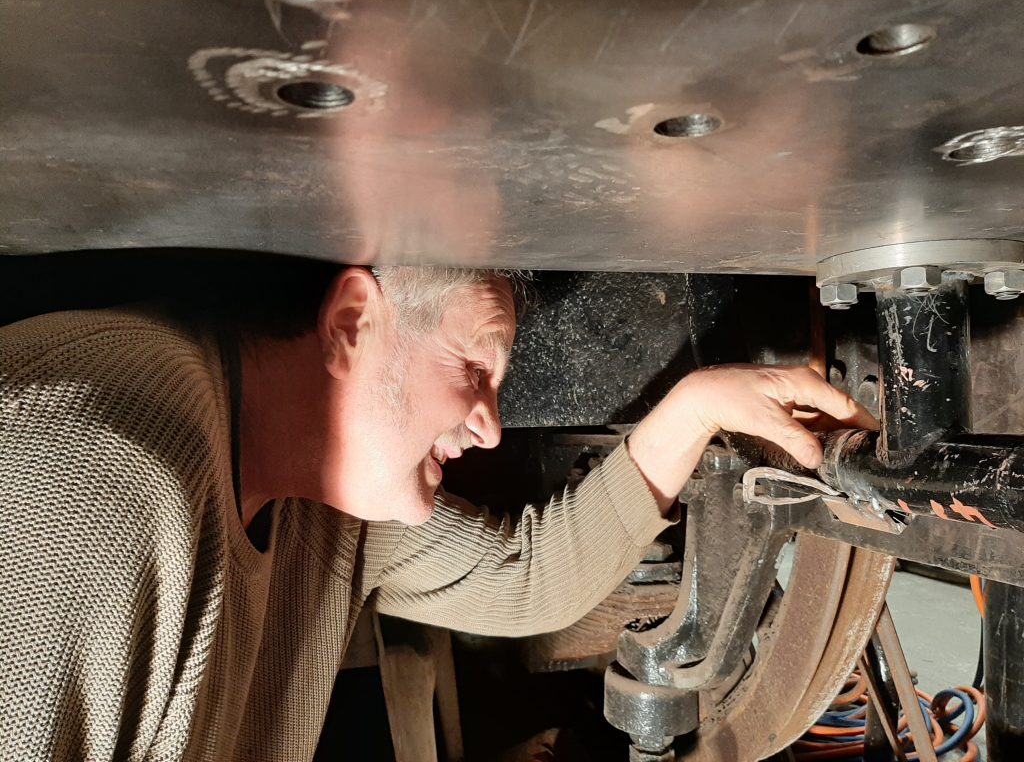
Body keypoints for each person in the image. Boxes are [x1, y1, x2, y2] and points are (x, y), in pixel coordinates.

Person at [0, 264, 874, 761]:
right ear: (351, 321)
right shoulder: (92, 464)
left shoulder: (325, 502)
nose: (488, 426)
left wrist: (692, 409)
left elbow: (531, 582)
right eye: (476, 366)